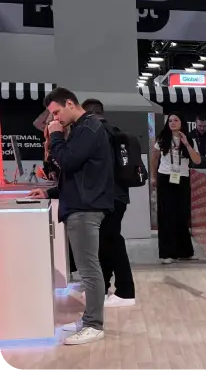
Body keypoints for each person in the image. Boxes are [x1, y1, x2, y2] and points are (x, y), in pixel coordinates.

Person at [28, 87, 114, 345]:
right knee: (88, 269)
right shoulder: (83, 128)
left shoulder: (88, 128)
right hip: (81, 205)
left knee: (89, 270)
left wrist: (55, 137)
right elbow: (78, 173)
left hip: (85, 209)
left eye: (56, 112)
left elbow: (68, 161)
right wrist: (51, 192)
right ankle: (89, 319)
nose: (55, 119)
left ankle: (94, 325)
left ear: (69, 103)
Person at [81, 99, 137, 307]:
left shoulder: (96, 133)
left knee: (111, 242)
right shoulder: (113, 131)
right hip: (117, 195)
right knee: (106, 242)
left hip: (106, 196)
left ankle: (125, 291)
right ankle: (104, 288)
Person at [151, 113, 201, 264]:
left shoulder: (190, 139)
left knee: (182, 214)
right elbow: (154, 159)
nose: (172, 123)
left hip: (183, 178)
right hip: (166, 177)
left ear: (182, 122)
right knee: (166, 214)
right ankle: (167, 253)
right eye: (170, 121)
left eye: (176, 120)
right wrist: (153, 176)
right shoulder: (162, 139)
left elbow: (197, 160)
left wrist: (186, 144)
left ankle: (185, 252)